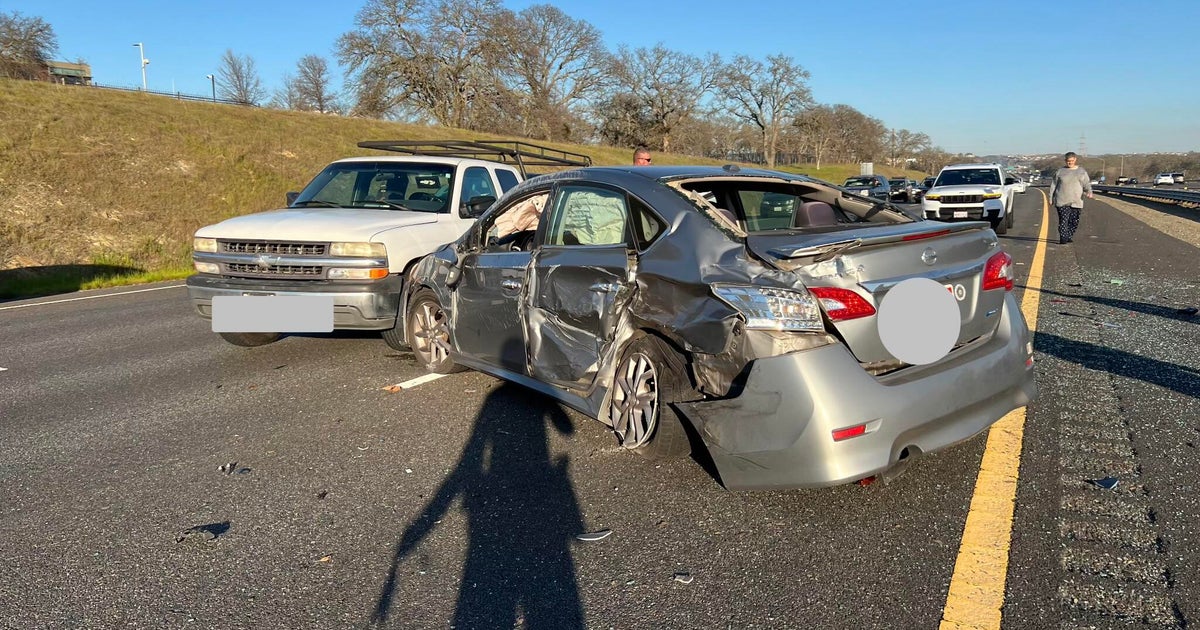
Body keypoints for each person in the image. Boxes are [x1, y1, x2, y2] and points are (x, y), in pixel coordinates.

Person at [1049, 151, 1093, 244]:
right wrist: (1050, 198)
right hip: (1062, 200)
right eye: (1068, 161)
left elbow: (1086, 184)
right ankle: (1063, 238)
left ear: (1075, 160)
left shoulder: (1081, 172)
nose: (1070, 163)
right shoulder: (1060, 171)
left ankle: (1068, 235)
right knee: (1063, 220)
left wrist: (1089, 191)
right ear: (1065, 161)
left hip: (1076, 201)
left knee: (1074, 221)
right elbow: (1053, 185)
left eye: (1072, 161)